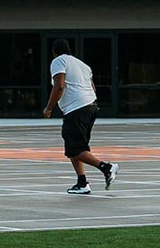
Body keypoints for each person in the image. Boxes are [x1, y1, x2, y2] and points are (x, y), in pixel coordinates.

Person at [46, 39, 115, 195]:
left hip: (77, 108)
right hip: (90, 105)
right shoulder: (83, 65)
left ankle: (106, 168)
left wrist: (49, 107)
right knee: (75, 146)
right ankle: (82, 182)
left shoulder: (58, 61)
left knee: (75, 148)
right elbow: (92, 87)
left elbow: (59, 85)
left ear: (54, 51)